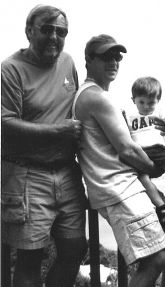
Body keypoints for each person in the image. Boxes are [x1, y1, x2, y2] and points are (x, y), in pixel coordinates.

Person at [72, 34, 165, 287]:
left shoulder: (87, 95)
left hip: (111, 189)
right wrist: (155, 168)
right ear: (89, 60)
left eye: (117, 57)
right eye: (106, 57)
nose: (114, 62)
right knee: (156, 259)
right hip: (120, 189)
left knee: (157, 254)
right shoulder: (97, 97)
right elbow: (127, 149)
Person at [1, 5, 88, 287]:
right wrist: (56, 131)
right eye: (46, 29)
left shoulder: (68, 63)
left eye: (61, 32)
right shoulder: (11, 70)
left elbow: (78, 108)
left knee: (75, 249)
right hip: (27, 175)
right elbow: (5, 123)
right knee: (30, 258)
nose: (54, 37)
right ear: (29, 31)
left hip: (67, 172)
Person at [124, 76, 165, 225]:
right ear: (133, 100)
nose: (146, 107)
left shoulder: (159, 112)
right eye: (141, 102)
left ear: (158, 100)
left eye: (151, 102)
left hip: (158, 148)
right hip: (141, 151)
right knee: (143, 178)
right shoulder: (128, 116)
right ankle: (161, 205)